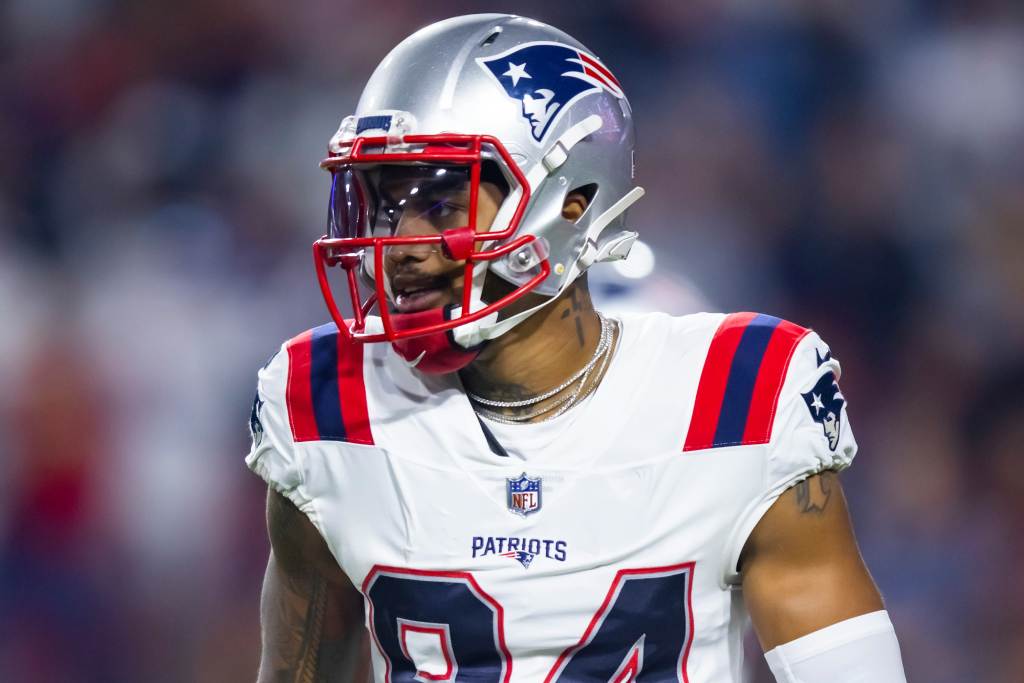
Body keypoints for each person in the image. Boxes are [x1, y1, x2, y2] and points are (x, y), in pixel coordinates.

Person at [246, 13, 908, 683]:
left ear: (572, 202)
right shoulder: (326, 403)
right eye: (386, 204)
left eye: (441, 202)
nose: (404, 245)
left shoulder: (739, 397)